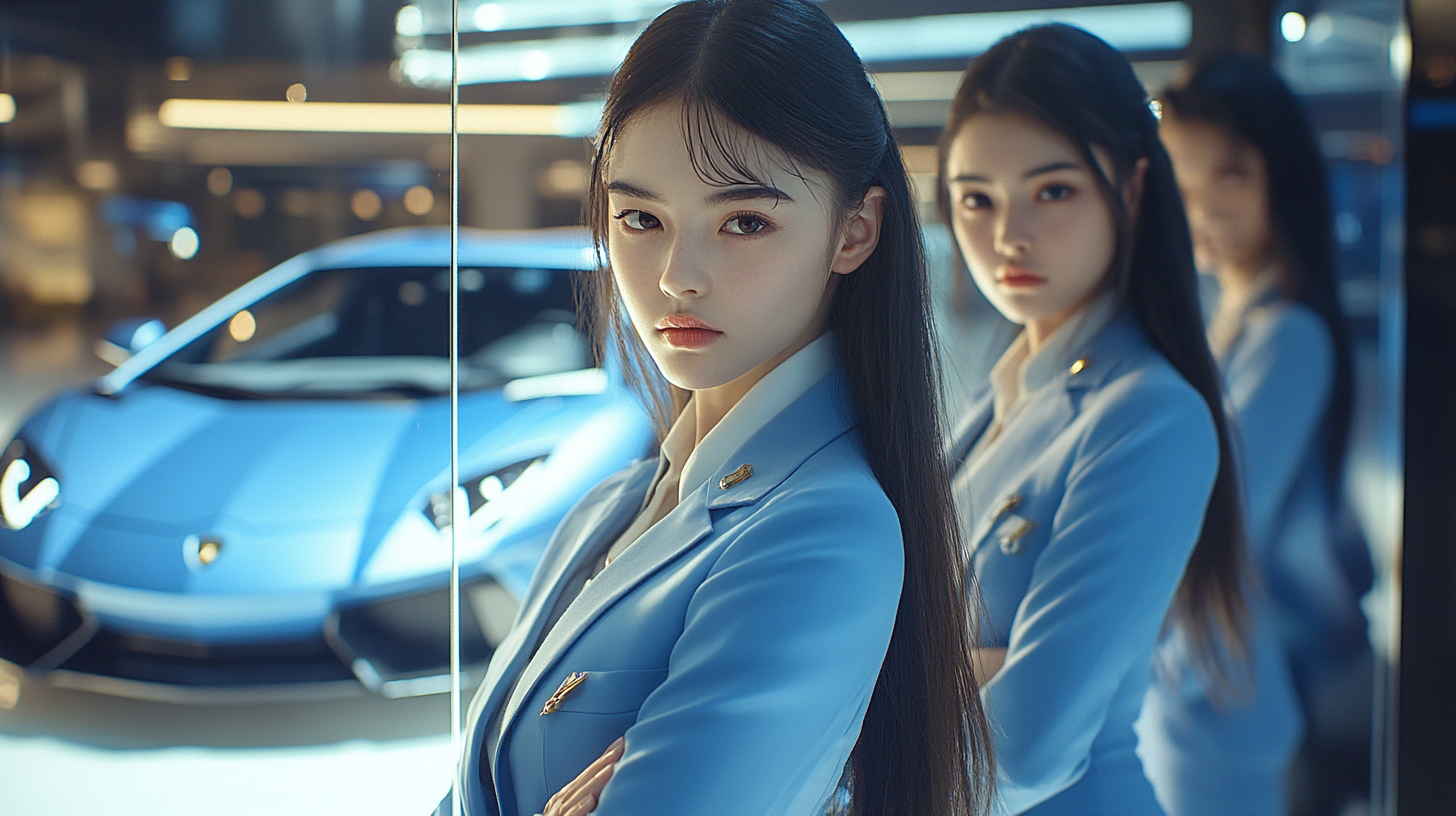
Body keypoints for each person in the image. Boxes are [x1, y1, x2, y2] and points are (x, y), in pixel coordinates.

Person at [439, 1, 993, 815]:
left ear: (855, 230)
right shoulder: (615, 502)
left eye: (743, 221)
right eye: (640, 218)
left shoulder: (825, 528)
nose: (674, 276)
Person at [934, 24, 1249, 816]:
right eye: (977, 198)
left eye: (1054, 191)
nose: (1008, 235)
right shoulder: (998, 399)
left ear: (1133, 190)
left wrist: (894, 681)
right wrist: (967, 668)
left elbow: (1029, 740)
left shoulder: (1150, 414)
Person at [1138, 55, 1371, 816]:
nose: (1201, 205)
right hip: (1199, 679)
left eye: (1229, 175)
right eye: (1185, 177)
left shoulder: (1288, 333)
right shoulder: (1229, 316)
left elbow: (1216, 518)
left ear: (1283, 174)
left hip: (1218, 690)